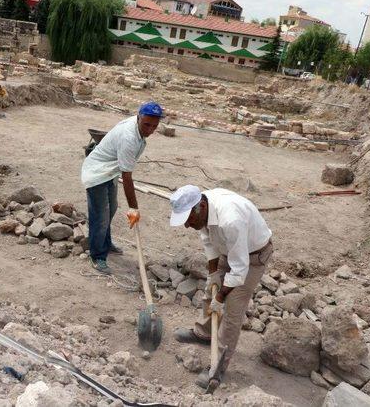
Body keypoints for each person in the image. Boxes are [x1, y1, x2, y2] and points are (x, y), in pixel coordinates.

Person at [169, 185, 273, 389]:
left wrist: (221, 297)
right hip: (229, 248)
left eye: (188, 220)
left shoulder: (230, 219)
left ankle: (217, 367)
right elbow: (209, 243)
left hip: (253, 258)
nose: (187, 226)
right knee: (211, 290)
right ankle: (205, 334)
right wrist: (214, 275)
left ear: (199, 208)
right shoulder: (205, 209)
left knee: (233, 307)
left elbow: (240, 269)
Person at [80, 101, 163, 274]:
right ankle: (97, 256)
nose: (150, 130)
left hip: (110, 171)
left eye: (154, 126)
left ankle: (106, 243)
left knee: (111, 209)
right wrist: (134, 208)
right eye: (146, 124)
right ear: (139, 117)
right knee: (101, 215)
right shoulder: (129, 138)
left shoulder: (137, 128)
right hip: (97, 172)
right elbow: (127, 177)